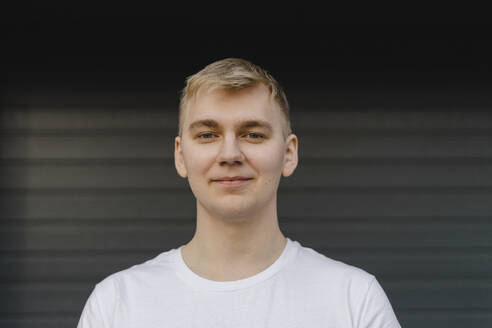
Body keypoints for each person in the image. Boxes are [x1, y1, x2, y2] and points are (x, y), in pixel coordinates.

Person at [77, 57, 401, 327]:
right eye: (207, 135)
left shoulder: (353, 300)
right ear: (180, 155)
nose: (230, 154)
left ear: (289, 154)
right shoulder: (116, 305)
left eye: (253, 134)